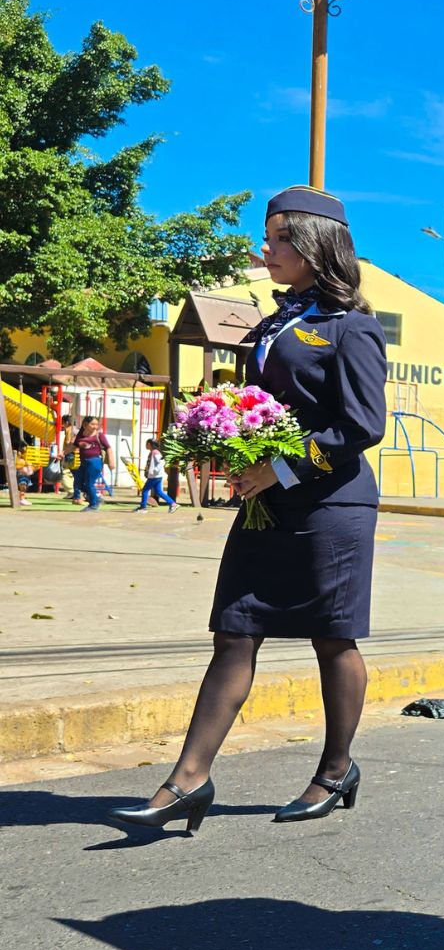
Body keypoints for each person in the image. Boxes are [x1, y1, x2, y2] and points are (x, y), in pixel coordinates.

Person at [108, 185, 388, 833]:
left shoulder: (352, 328)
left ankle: (337, 765)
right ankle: (188, 779)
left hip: (331, 505)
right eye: (269, 234)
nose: (268, 247)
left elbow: (362, 426)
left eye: (282, 236)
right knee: (235, 630)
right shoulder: (272, 324)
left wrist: (282, 467)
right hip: (267, 502)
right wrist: (223, 441)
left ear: (318, 246)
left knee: (331, 637)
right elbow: (258, 412)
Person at [70, 415, 111, 511]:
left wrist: (111, 462)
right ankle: (96, 497)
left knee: (89, 484)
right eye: (92, 424)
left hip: (94, 462)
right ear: (85, 424)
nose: (95, 426)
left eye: (97, 424)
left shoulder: (99, 435)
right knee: (77, 483)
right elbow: (73, 446)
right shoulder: (80, 435)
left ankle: (93, 505)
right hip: (83, 462)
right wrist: (62, 453)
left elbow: (108, 448)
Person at [134, 437, 178, 513]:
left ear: (150, 444)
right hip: (156, 476)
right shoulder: (154, 452)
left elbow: (161, 462)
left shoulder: (155, 452)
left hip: (154, 476)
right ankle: (173, 503)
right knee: (159, 491)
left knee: (145, 490)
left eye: (147, 443)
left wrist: (154, 471)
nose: (146, 445)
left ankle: (143, 508)